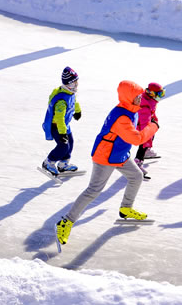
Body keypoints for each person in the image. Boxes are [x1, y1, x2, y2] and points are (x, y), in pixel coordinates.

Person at [54, 80, 158, 244]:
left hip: (119, 154)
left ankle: (126, 209)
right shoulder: (121, 117)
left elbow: (136, 128)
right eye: (137, 97)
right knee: (93, 191)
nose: (140, 99)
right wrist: (153, 126)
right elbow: (137, 138)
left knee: (136, 177)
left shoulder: (131, 109)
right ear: (129, 98)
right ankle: (65, 221)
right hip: (105, 156)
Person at [41, 67, 83, 176]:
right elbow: (59, 118)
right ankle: (49, 162)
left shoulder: (69, 93)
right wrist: (62, 133)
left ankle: (63, 164)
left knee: (71, 142)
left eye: (77, 82)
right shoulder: (61, 101)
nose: (76, 85)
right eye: (74, 83)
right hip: (57, 126)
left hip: (65, 125)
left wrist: (77, 111)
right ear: (68, 84)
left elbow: (74, 101)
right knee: (63, 146)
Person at [134, 83, 166, 166]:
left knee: (154, 126)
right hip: (140, 127)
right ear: (152, 94)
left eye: (162, 93)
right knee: (143, 143)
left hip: (143, 124)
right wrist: (147, 139)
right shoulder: (145, 106)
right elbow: (145, 124)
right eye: (159, 94)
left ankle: (147, 150)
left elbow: (151, 113)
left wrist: (154, 119)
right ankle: (138, 161)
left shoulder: (150, 100)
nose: (161, 96)